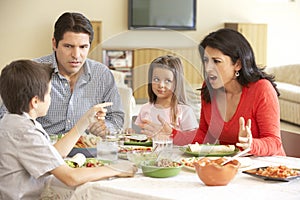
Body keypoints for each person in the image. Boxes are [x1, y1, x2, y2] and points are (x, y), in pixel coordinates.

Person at [0, 60, 137, 200]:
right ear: (35, 102)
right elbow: (70, 177)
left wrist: (85, 121)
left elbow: (54, 155)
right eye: (49, 93)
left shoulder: (13, 121)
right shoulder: (25, 132)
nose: (50, 98)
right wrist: (116, 169)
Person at [139, 28, 286, 156]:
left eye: (216, 61)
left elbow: (274, 142)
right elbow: (204, 135)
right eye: (206, 60)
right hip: (233, 167)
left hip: (267, 168)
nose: (208, 68)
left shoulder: (262, 89)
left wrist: (251, 144)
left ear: (238, 64)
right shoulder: (209, 89)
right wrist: (172, 133)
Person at [0, 12, 124, 136]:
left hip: (88, 150)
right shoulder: (33, 72)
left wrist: (104, 127)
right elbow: (7, 119)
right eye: (68, 46)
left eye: (83, 47)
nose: (76, 55)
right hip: (42, 149)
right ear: (54, 43)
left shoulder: (102, 74)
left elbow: (117, 118)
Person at [135, 55, 198, 133]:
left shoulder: (185, 111)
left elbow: (192, 140)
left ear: (177, 83)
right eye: (156, 79)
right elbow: (139, 135)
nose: (161, 85)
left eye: (168, 81)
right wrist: (130, 132)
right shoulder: (145, 109)